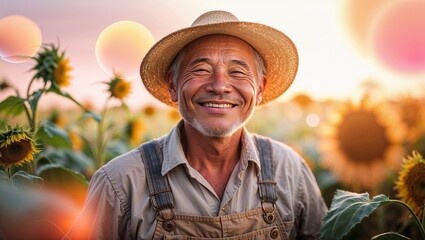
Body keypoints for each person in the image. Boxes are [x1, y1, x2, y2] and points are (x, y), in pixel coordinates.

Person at [66, 10, 328, 240]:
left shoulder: (290, 170)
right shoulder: (120, 182)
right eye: (201, 69)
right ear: (172, 84)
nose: (219, 85)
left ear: (260, 89)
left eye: (237, 72)